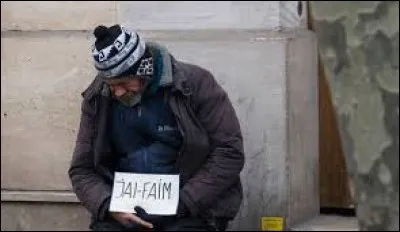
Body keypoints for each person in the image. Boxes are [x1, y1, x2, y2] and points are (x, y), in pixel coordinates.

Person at [68, 24, 245, 231]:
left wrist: (183, 202)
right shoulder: (98, 97)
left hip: (190, 208)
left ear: (144, 69)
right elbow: (82, 169)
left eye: (124, 83)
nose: (117, 92)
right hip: (122, 213)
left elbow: (229, 153)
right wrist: (109, 207)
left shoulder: (196, 84)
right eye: (111, 84)